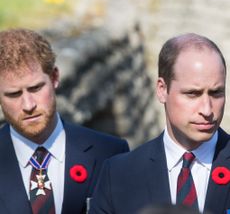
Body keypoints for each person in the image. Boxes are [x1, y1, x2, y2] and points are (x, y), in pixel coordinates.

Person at [89, 33, 230, 214]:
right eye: (192, 94)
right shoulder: (119, 174)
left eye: (216, 93)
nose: (207, 109)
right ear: (162, 90)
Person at [0, 28, 129, 214]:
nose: (28, 105)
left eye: (36, 88)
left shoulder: (111, 154)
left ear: (54, 78)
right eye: (14, 94)